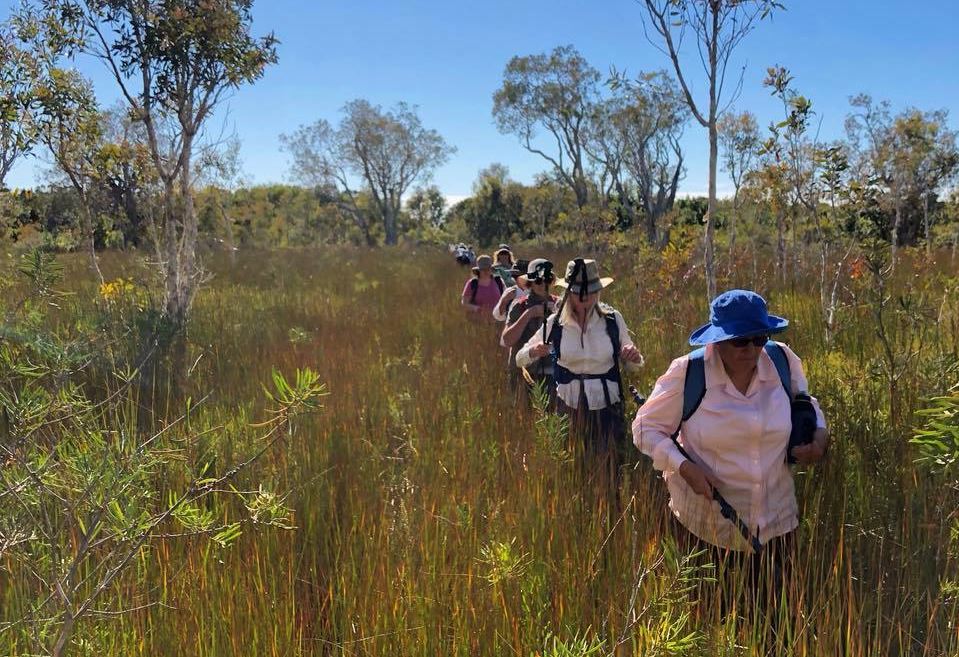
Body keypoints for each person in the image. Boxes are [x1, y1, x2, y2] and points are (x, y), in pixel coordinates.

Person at [632, 289, 829, 629]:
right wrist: (684, 468)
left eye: (759, 338)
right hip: (709, 531)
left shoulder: (781, 360)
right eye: (740, 342)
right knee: (712, 627)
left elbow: (805, 402)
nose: (752, 350)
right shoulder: (689, 374)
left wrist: (820, 438)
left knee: (776, 627)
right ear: (718, 341)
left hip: (777, 526)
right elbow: (645, 428)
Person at [516, 258, 643, 498]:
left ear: (597, 290)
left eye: (591, 290)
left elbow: (634, 365)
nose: (585, 296)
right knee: (573, 468)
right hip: (569, 408)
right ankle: (577, 513)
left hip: (608, 408)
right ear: (569, 292)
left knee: (609, 470)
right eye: (578, 291)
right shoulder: (555, 324)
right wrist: (534, 351)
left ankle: (608, 514)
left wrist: (632, 356)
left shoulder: (613, 320)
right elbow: (520, 359)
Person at [501, 259, 558, 396]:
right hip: (524, 373)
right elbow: (507, 340)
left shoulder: (558, 305)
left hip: (553, 374)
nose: (542, 284)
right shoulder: (519, 306)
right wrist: (529, 314)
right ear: (530, 283)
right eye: (538, 281)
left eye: (546, 280)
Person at [461, 254, 504, 322]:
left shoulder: (499, 281)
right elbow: (464, 303)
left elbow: (505, 299)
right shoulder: (472, 283)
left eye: (488, 269)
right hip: (478, 322)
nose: (486, 271)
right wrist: (478, 309)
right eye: (483, 269)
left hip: (497, 321)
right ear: (478, 270)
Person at [492, 259, 530, 323]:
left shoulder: (536, 292)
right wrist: (505, 300)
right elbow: (498, 316)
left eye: (517, 275)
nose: (514, 278)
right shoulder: (509, 291)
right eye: (513, 275)